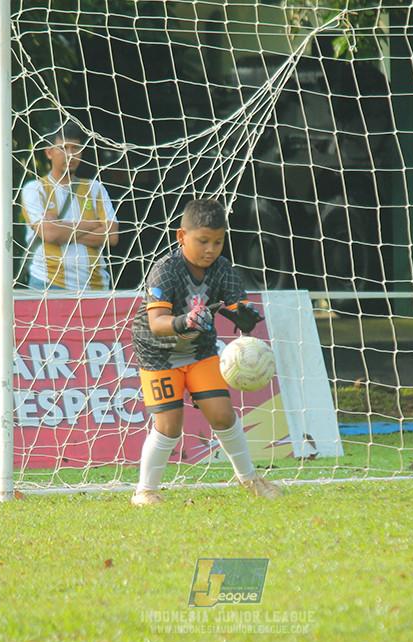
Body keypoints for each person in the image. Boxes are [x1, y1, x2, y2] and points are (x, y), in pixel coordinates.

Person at [129, 198, 282, 506]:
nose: (211, 249)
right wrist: (185, 320)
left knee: (223, 416)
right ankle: (144, 491)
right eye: (202, 241)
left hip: (199, 351)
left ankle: (249, 479)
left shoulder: (222, 269)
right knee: (170, 426)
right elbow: (157, 323)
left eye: (218, 242)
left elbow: (238, 305)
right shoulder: (165, 270)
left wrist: (245, 316)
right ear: (181, 237)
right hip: (159, 354)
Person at [20, 121, 119, 291]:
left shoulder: (95, 188)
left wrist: (60, 227)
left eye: (76, 148)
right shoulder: (35, 189)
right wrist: (93, 225)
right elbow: (49, 233)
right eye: (64, 148)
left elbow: (112, 236)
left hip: (95, 285)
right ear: (49, 152)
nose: (70, 154)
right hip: (48, 283)